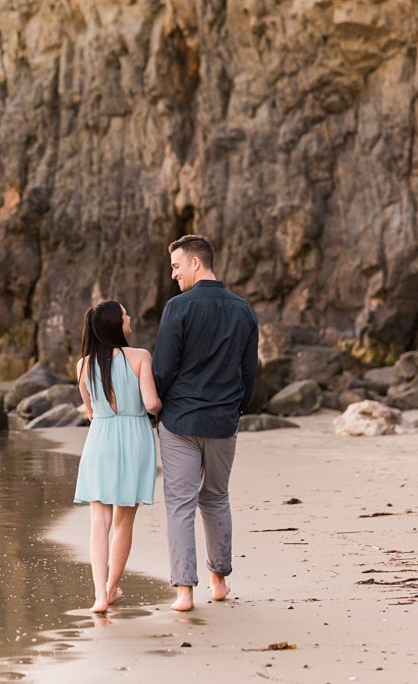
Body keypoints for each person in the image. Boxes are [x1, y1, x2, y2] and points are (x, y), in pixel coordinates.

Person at [152, 234, 258, 612]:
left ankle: (184, 591)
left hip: (180, 420)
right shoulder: (243, 310)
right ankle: (219, 580)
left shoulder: (177, 309)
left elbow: (163, 367)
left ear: (197, 263)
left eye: (177, 266)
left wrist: (158, 409)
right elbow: (249, 372)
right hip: (223, 421)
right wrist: (236, 409)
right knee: (215, 498)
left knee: (180, 504)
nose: (174, 275)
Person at [74, 300, 161, 613]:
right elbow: (151, 403)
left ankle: (99, 595)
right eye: (126, 314)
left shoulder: (83, 365)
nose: (129, 317)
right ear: (115, 324)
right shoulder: (140, 356)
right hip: (135, 437)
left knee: (99, 522)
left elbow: (90, 410)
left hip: (100, 439)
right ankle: (111, 588)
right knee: (123, 524)